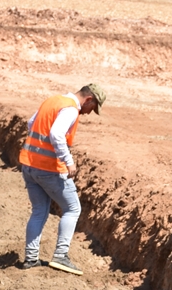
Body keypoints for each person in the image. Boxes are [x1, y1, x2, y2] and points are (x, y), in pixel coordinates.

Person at [18, 84, 107, 275]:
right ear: (89, 99)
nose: (90, 113)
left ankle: (31, 258)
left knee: (39, 210)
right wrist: (69, 161)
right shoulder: (70, 110)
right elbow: (56, 134)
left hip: (29, 164)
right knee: (73, 208)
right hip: (48, 168)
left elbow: (31, 123)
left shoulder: (53, 101)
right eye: (93, 108)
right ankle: (61, 255)